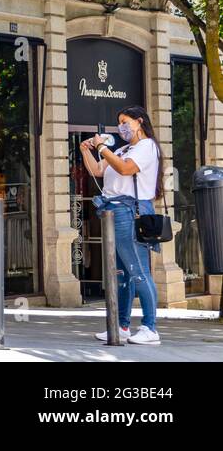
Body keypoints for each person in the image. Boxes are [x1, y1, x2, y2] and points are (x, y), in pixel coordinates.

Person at [80, 105, 163, 345]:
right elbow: (97, 170)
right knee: (122, 274)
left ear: (139, 121)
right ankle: (122, 326)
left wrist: (103, 147)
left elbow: (125, 168)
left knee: (138, 271)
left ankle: (150, 327)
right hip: (113, 211)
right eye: (119, 123)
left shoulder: (147, 147)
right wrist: (87, 150)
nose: (122, 127)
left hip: (130, 211)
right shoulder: (126, 148)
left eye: (125, 122)